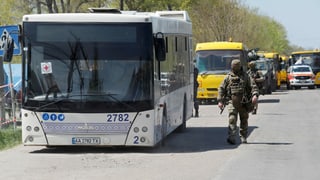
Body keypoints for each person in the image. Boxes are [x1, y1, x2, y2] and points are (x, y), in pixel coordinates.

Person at [217, 59, 259, 144]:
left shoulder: (246, 76)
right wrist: (220, 101)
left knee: (244, 119)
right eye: (234, 66)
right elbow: (221, 89)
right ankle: (231, 137)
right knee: (232, 118)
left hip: (244, 102)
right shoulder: (228, 77)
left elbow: (253, 86)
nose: (235, 68)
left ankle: (243, 136)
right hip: (232, 101)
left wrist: (255, 95)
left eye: (236, 66)